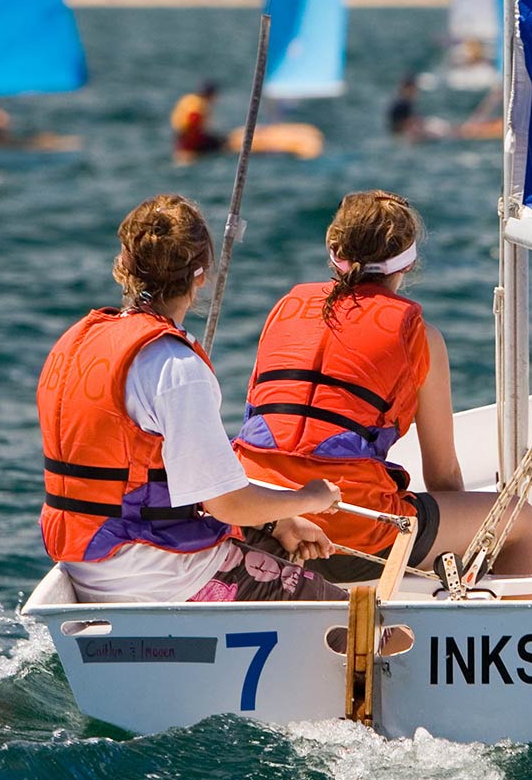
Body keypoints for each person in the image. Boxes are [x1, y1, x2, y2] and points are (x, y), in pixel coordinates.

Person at [38, 194, 345, 604]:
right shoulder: (176, 367)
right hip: (157, 572)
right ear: (201, 276)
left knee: (278, 544)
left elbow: (159, 481)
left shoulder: (77, 340)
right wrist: (311, 498)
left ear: (124, 267)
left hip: (88, 561)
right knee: (354, 617)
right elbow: (228, 503)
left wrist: (277, 522)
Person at [234, 190, 532, 583]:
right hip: (351, 531)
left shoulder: (284, 310)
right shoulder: (421, 337)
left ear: (334, 251)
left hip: (256, 515)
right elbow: (443, 473)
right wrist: (467, 540)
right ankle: (515, 635)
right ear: (409, 261)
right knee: (519, 520)